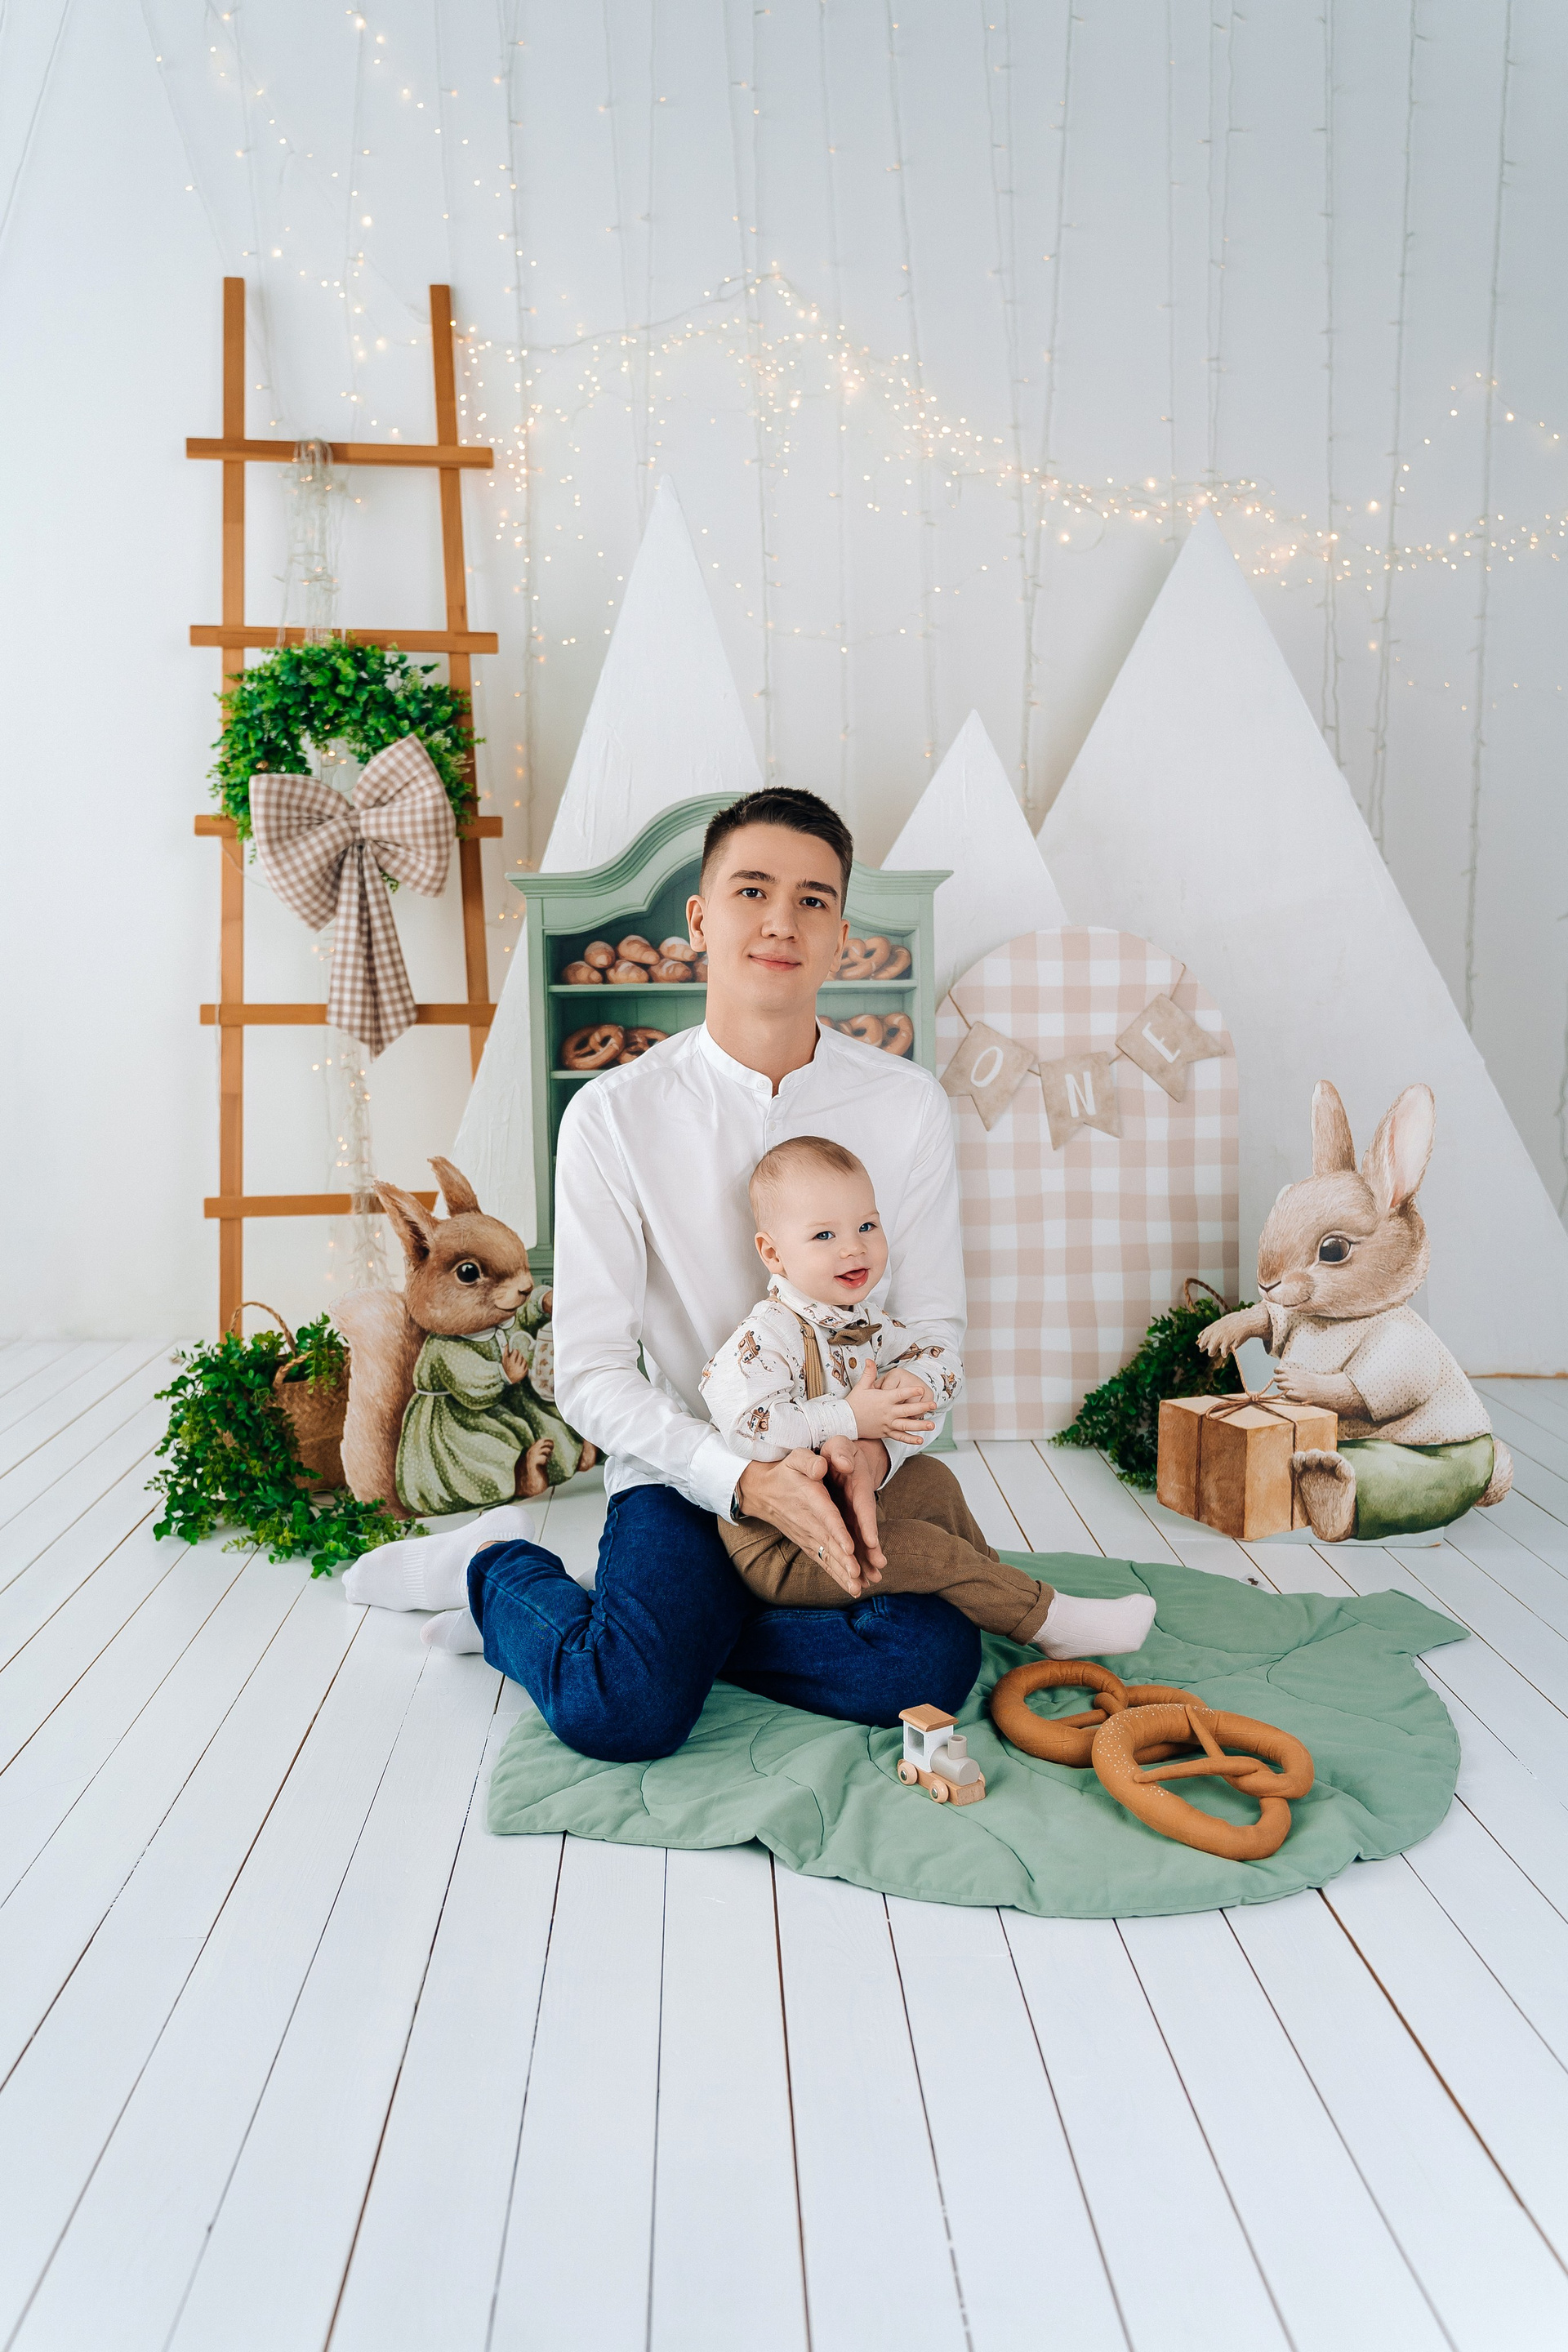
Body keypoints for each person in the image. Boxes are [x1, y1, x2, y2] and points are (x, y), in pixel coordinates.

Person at [344, 786, 1145, 1762]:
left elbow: (933, 1328)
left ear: (841, 935)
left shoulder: (906, 1105)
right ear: (699, 919)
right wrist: (741, 1480)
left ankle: (654, 1629)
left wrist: (871, 1456)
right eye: (752, 891)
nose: (780, 921)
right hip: (683, 1472)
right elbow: (590, 1371)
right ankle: (498, 1570)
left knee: (921, 1671)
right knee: (621, 1713)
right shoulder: (612, 1116)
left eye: (813, 900)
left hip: (847, 1467)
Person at [702, 1131, 1156, 1655]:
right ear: (773, 1253)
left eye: (867, 1226)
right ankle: (1051, 1623)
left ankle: (1000, 1590)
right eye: (824, 1235)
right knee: (924, 1550)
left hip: (849, 1504)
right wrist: (850, 1418)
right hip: (783, 1543)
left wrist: (917, 1381)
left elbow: (943, 1359)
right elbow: (749, 1428)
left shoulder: (868, 1322)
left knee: (934, 1480)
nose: (854, 1247)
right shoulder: (765, 1336)